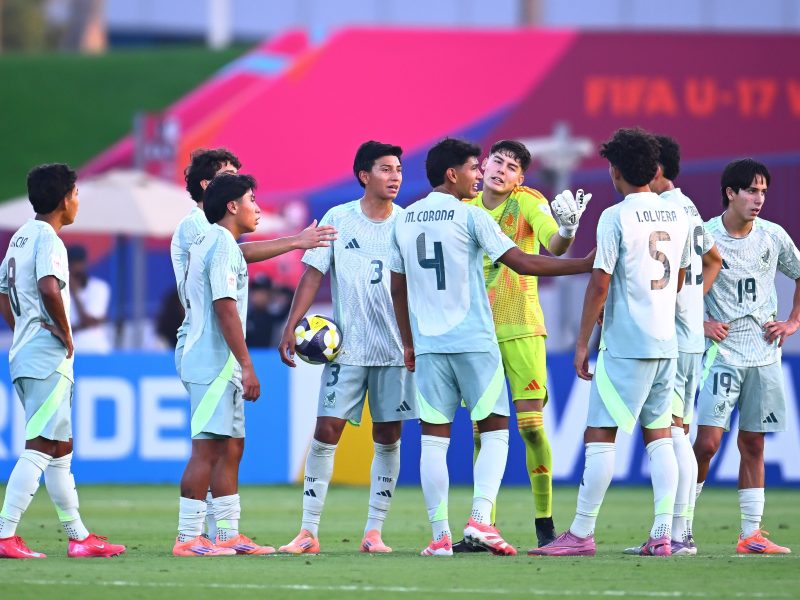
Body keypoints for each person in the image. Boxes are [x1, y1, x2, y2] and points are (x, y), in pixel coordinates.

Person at [389, 138, 595, 557]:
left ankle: (440, 536)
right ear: (453, 174)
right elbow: (523, 261)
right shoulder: (471, 215)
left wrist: (408, 342)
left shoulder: (404, 218)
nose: (483, 173)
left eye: (503, 166)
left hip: (433, 343)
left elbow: (397, 287)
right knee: (496, 430)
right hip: (475, 339)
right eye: (476, 166)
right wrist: (585, 264)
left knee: (434, 440)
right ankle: (482, 520)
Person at [531, 128, 691, 557]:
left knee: (600, 434)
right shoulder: (678, 214)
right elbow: (677, 278)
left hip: (626, 345)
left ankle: (581, 533)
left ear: (615, 171)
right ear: (653, 170)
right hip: (666, 343)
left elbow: (599, 283)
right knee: (660, 435)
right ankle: (663, 534)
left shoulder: (615, 217)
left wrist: (582, 342)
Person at [171, 148, 335, 544]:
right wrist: (247, 364)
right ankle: (189, 536)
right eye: (233, 180)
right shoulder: (198, 228)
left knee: (230, 446)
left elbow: (237, 255)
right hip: (208, 348)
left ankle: (227, 534)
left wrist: (295, 241)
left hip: (221, 352)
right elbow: (224, 303)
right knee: (208, 448)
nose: (255, 204)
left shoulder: (220, 238)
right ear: (217, 193)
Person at [277, 141, 417, 555]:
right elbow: (312, 275)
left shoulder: (407, 224)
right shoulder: (338, 219)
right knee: (326, 430)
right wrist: (291, 325)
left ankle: (374, 532)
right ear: (364, 175)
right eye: (386, 169)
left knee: (388, 436)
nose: (395, 176)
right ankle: (308, 532)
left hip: (395, 351)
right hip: (347, 350)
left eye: (398, 169)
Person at [460, 139, 591, 550]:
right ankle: (483, 524)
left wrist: (567, 230)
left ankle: (544, 523)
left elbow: (554, 245)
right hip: (477, 333)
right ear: (483, 165)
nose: (502, 169)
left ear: (520, 178)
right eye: (497, 161)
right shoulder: (464, 208)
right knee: (482, 432)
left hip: (522, 327)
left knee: (531, 428)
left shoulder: (528, 202)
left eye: (512, 166)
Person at [0, 163, 126, 558]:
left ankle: (79, 537)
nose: (77, 201)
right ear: (63, 200)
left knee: (59, 447)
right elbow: (48, 286)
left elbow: (3, 292)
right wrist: (64, 331)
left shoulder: (20, 237)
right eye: (75, 194)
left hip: (27, 352)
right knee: (41, 445)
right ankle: (4, 534)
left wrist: (23, 328)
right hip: (46, 358)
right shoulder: (50, 241)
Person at [693, 158, 800, 554]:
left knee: (754, 443)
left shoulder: (773, 236)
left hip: (765, 355)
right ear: (730, 193)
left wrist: (792, 321)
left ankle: (751, 535)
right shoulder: (704, 236)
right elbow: (679, 288)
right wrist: (701, 323)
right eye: (751, 191)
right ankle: (677, 526)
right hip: (721, 354)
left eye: (763, 192)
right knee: (707, 444)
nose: (759, 199)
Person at [640, 134, 722, 556]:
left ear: (655, 170)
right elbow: (714, 259)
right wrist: (694, 303)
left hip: (671, 339)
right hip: (690, 339)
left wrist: (681, 305)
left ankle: (676, 534)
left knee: (670, 435)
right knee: (679, 432)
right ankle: (682, 533)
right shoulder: (688, 206)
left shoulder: (663, 211)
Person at [66, 245, 112, 353]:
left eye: (79, 263)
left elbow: (88, 321)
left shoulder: (99, 287)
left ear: (85, 264)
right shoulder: (57, 291)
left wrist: (75, 293)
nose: (76, 268)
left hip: (95, 349)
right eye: (71, 264)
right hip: (67, 351)